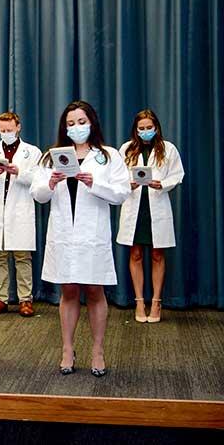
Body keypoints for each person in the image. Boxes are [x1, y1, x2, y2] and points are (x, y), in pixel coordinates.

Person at [30, 101, 129, 377]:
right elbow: (37, 194)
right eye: (71, 123)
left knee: (95, 291)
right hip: (64, 234)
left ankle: (97, 350)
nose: (76, 127)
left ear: (92, 123)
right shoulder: (51, 157)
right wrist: (50, 183)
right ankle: (67, 348)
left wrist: (93, 183)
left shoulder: (107, 156)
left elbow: (121, 192)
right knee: (69, 291)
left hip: (92, 236)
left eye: (81, 121)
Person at [116, 109, 184, 323]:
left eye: (149, 128)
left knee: (157, 255)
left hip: (156, 205)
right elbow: (116, 177)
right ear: (135, 130)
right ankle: (139, 301)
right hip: (134, 206)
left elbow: (177, 174)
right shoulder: (126, 149)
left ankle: (156, 302)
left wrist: (161, 184)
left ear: (156, 128)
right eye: (141, 128)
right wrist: (129, 184)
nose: (145, 132)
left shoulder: (168, 149)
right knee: (135, 254)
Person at [0, 112, 42, 317]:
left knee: (22, 257)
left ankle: (25, 300)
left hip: (20, 210)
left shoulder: (32, 152)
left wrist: (18, 172)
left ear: (18, 127)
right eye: (3, 130)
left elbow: (38, 178)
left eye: (10, 130)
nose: (6, 133)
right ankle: (1, 298)